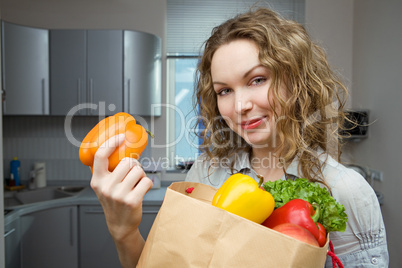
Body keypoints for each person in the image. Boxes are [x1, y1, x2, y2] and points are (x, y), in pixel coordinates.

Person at [90, 7, 389, 267]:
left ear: (295, 81)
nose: (239, 106)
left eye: (257, 79)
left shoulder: (346, 191)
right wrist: (124, 232)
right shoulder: (206, 174)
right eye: (225, 91)